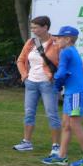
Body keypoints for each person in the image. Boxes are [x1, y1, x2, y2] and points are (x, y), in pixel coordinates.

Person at [42, 26, 83, 166]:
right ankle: (61, 157)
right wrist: (60, 82)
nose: (56, 39)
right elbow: (66, 73)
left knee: (75, 125)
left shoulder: (66, 52)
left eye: (59, 37)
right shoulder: (70, 50)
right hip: (72, 92)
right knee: (66, 125)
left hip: (75, 94)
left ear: (67, 39)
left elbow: (61, 73)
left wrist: (56, 85)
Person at [13, 16, 61, 155]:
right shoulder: (31, 42)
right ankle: (26, 142)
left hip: (48, 83)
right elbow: (20, 60)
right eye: (32, 27)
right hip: (31, 83)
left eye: (35, 27)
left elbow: (62, 62)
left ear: (45, 27)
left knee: (52, 114)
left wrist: (54, 77)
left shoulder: (56, 43)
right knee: (29, 113)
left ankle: (56, 146)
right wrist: (24, 75)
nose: (33, 30)